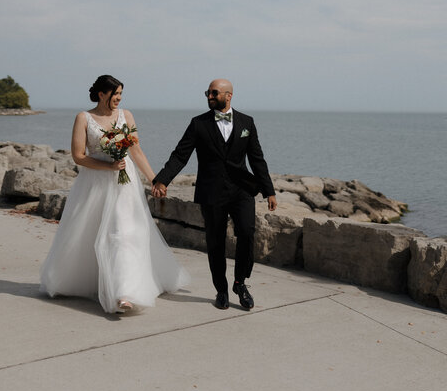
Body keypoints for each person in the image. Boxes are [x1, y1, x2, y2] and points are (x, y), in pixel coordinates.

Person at [40, 75, 190, 314]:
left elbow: (136, 151)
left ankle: (124, 292)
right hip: (94, 183)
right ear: (101, 94)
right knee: (88, 233)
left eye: (121, 94)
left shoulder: (126, 116)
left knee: (123, 233)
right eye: (115, 94)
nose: (119, 99)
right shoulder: (83, 118)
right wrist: (108, 166)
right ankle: (87, 281)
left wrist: (155, 180)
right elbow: (78, 156)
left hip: (124, 183)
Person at [152, 79, 277, 310]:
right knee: (215, 242)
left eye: (214, 93)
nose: (209, 96)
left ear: (228, 96)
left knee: (247, 233)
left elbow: (257, 158)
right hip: (212, 191)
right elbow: (181, 155)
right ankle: (221, 289)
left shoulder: (246, 122)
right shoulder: (198, 124)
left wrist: (269, 191)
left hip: (242, 190)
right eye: (207, 93)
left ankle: (240, 283)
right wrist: (162, 179)